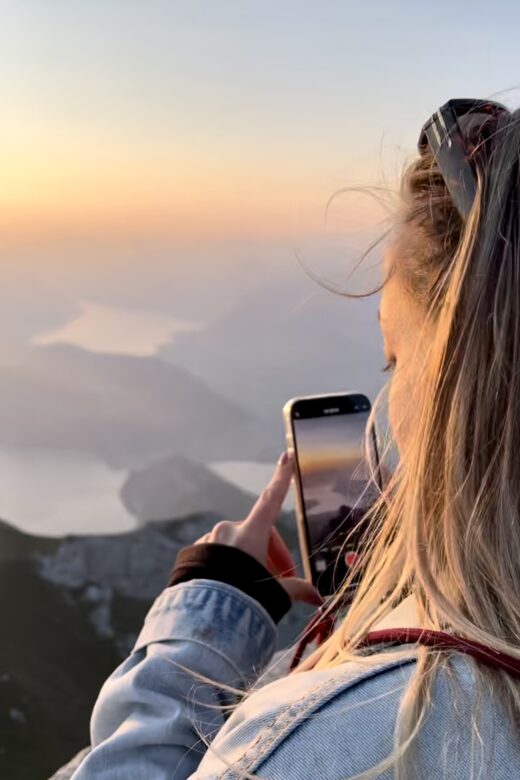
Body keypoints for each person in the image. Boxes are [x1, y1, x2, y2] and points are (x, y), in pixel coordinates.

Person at [71, 98, 520, 779]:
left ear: (465, 394)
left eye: (393, 359)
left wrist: (204, 618)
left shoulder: (335, 742)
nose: (390, 402)